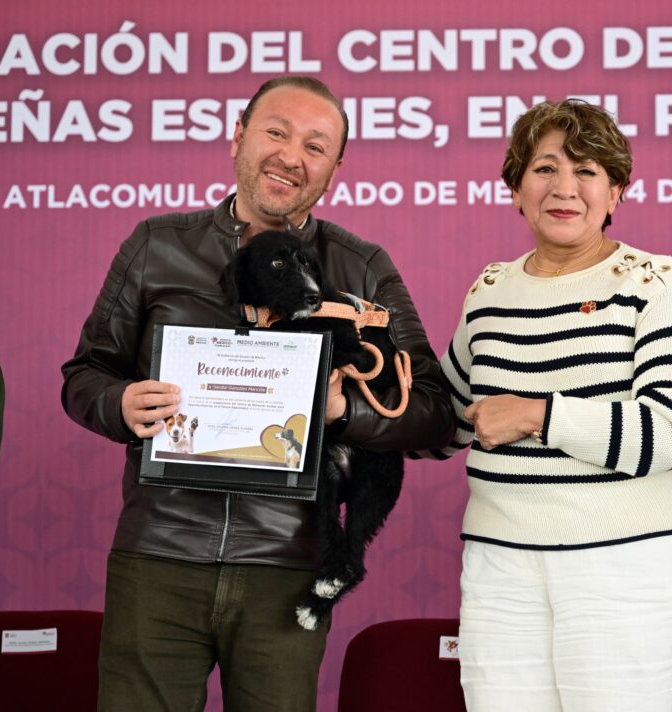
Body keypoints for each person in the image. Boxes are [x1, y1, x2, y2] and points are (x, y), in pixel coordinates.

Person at [61, 75, 455, 712]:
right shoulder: (158, 245)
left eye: (315, 146)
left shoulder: (361, 266)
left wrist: (342, 410)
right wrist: (121, 404)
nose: (291, 156)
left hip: (288, 568)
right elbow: (86, 375)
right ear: (238, 137)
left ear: (335, 169)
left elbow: (434, 412)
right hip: (158, 555)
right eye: (276, 132)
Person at [427, 99, 672, 712]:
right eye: (545, 168)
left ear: (616, 193)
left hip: (627, 567)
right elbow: (443, 422)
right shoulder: (489, 291)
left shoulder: (656, 282)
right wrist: (347, 404)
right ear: (516, 189)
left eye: (586, 171)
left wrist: (539, 414)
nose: (565, 188)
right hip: (500, 569)